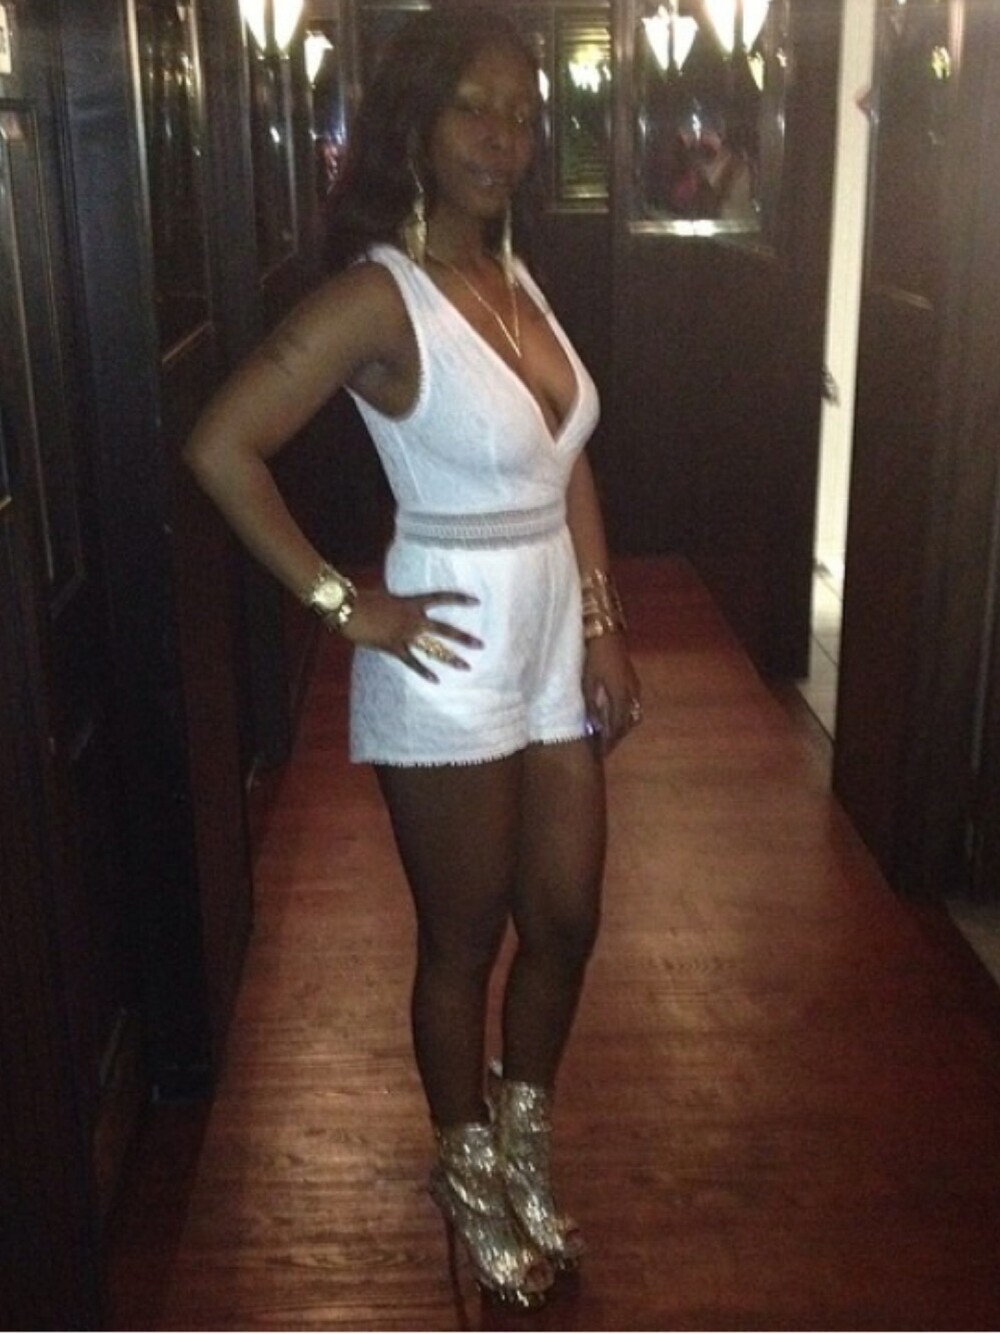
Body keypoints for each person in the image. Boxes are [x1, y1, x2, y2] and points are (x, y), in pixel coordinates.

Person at [184, 3, 641, 1309]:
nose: (504, 136)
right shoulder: (383, 297)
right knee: (464, 939)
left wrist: (602, 622)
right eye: (474, 108)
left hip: (550, 637)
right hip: (445, 649)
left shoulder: (515, 275)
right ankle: (467, 1168)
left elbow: (567, 460)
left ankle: (525, 1140)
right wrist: (346, 604)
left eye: (522, 113)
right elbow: (222, 446)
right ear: (419, 127)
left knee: (567, 918)